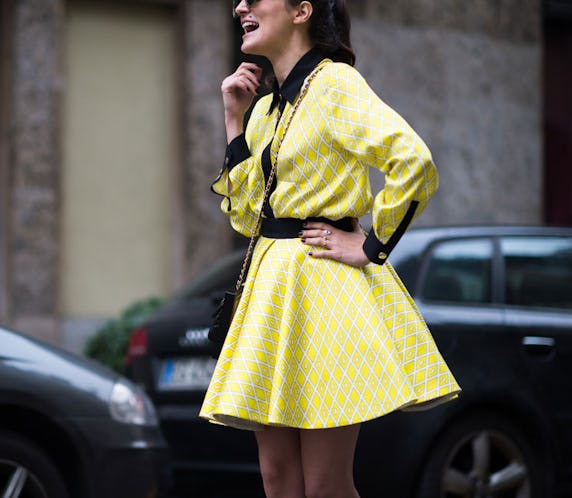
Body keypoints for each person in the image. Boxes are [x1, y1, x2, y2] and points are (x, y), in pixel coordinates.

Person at [198, 0, 462, 497]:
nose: (240, 7)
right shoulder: (265, 111)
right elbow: (248, 214)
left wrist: (371, 244)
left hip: (323, 290)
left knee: (324, 486)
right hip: (272, 292)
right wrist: (234, 123)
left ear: (302, 11)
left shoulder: (334, 83)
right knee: (277, 480)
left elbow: (413, 161)